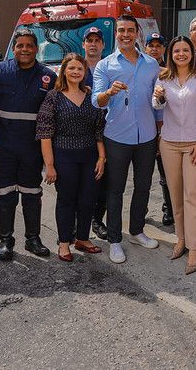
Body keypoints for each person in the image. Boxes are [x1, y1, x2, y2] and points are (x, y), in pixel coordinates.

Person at [0, 28, 56, 261]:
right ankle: (5, 240)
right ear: (14, 48)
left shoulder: (48, 76)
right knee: (5, 194)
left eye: (29, 45)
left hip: (32, 148)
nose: (24, 49)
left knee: (32, 193)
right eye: (20, 45)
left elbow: (57, 112)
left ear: (36, 48)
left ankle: (33, 239)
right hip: (2, 146)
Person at [92, 15, 162, 264]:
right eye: (121, 30)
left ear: (137, 34)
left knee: (143, 186)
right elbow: (95, 101)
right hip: (117, 136)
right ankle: (114, 240)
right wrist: (109, 92)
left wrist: (160, 124)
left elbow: (158, 101)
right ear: (117, 34)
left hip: (147, 135)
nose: (125, 34)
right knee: (115, 190)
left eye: (130, 30)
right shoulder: (105, 65)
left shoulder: (152, 64)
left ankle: (136, 231)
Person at [152, 36, 196, 274]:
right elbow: (157, 106)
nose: (181, 54)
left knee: (194, 196)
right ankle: (180, 238)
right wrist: (158, 97)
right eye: (176, 50)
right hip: (169, 142)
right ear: (170, 54)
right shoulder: (164, 79)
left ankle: (194, 247)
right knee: (175, 194)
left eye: (185, 50)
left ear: (192, 53)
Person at [37, 53, 106, 262]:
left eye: (80, 69)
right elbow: (44, 133)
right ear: (64, 71)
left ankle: (83, 239)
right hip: (64, 156)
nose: (76, 72)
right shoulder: (54, 97)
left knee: (88, 200)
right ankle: (64, 242)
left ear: (85, 73)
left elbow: (99, 130)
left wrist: (101, 157)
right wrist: (49, 165)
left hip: (89, 156)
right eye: (72, 68)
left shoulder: (91, 95)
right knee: (67, 200)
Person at [82, 26, 109, 240]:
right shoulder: (74, 66)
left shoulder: (109, 67)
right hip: (78, 133)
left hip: (105, 131)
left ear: (103, 45)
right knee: (77, 180)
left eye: (96, 40)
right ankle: (75, 223)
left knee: (103, 180)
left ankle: (97, 220)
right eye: (89, 40)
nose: (93, 43)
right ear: (83, 44)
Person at [145, 32, 174, 227]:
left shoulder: (168, 71)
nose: (155, 48)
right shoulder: (141, 70)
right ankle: (141, 211)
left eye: (158, 45)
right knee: (144, 175)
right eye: (151, 45)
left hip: (165, 129)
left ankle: (169, 209)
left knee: (167, 175)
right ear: (145, 48)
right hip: (145, 130)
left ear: (164, 49)